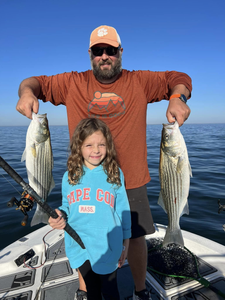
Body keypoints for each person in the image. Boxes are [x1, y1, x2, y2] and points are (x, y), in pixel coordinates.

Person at [16, 25, 192, 300]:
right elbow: (33, 82)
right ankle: (85, 291)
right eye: (99, 51)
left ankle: (140, 290)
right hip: (84, 178)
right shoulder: (72, 82)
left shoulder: (140, 81)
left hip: (131, 179)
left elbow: (178, 77)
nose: (104, 56)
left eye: (110, 50)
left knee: (135, 237)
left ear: (120, 52)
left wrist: (176, 96)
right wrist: (26, 93)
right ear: (90, 54)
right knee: (81, 234)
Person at [48, 118, 131, 300]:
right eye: (89, 145)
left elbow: (123, 210)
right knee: (91, 290)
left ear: (108, 145)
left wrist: (126, 242)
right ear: (78, 147)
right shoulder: (69, 176)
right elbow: (66, 206)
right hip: (79, 245)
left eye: (101, 144)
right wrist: (59, 215)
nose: (96, 150)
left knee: (110, 291)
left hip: (107, 246)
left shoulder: (114, 173)